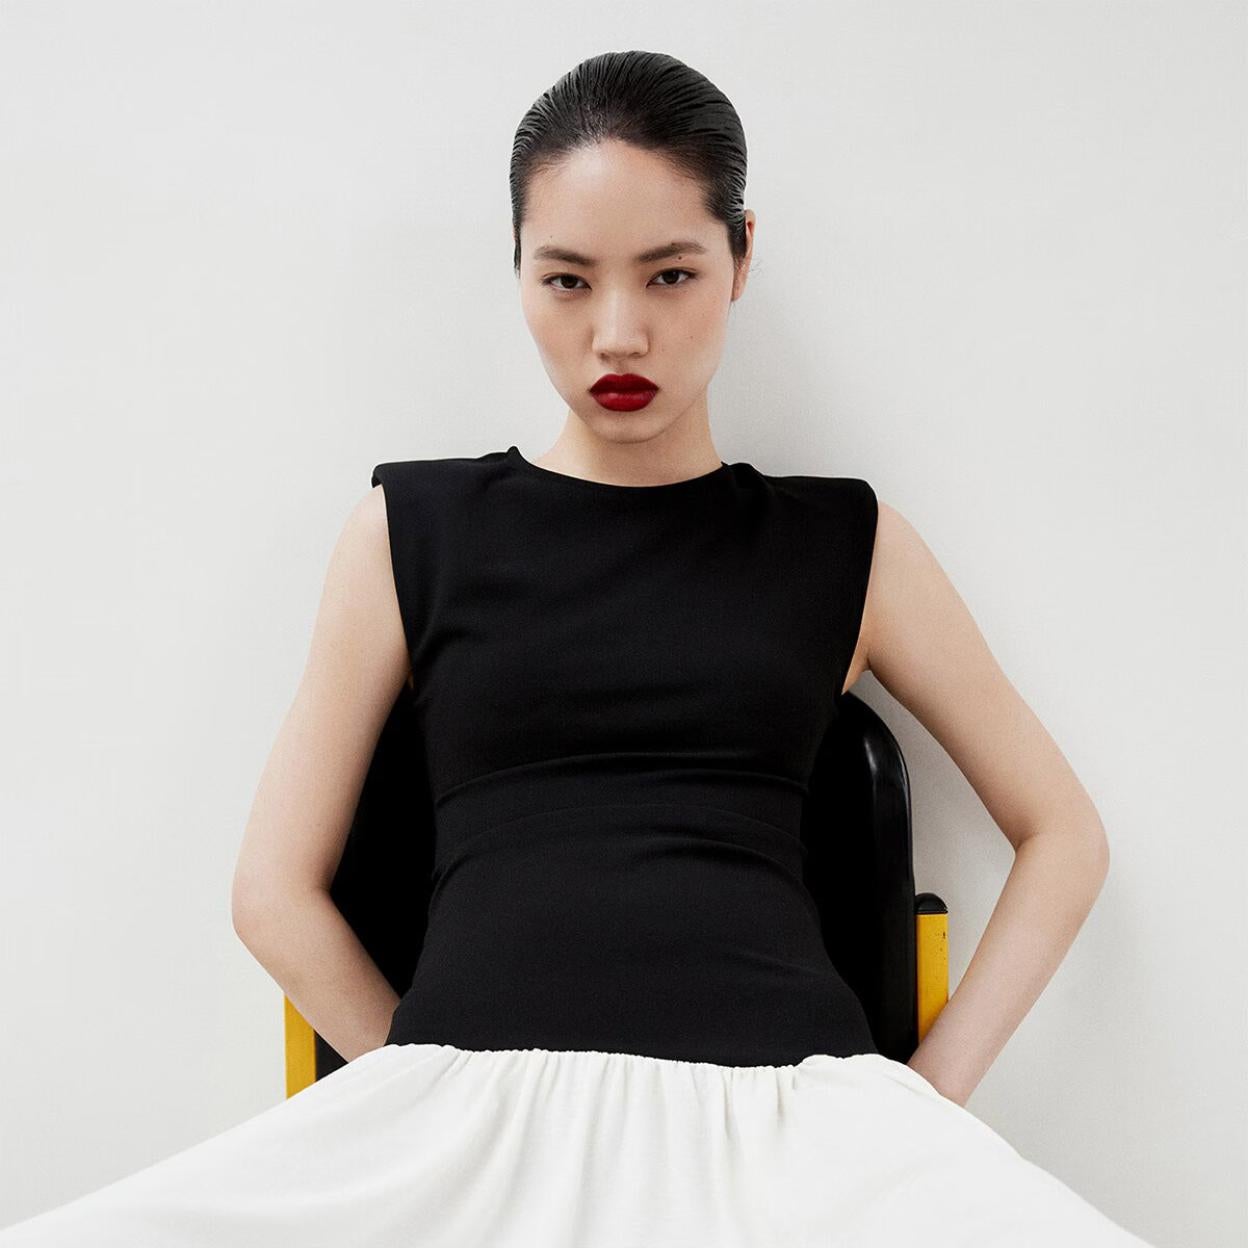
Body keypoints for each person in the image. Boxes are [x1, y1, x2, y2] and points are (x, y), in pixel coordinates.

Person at [0, 49, 1154, 1247]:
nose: (618, 334)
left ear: (741, 256)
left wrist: (924, 1101)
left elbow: (1061, 833)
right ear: (516, 269)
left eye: (670, 274)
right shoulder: (407, 533)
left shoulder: (849, 546)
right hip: (467, 1102)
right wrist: (426, 1088)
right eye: (566, 279)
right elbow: (271, 893)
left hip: (789, 1120)